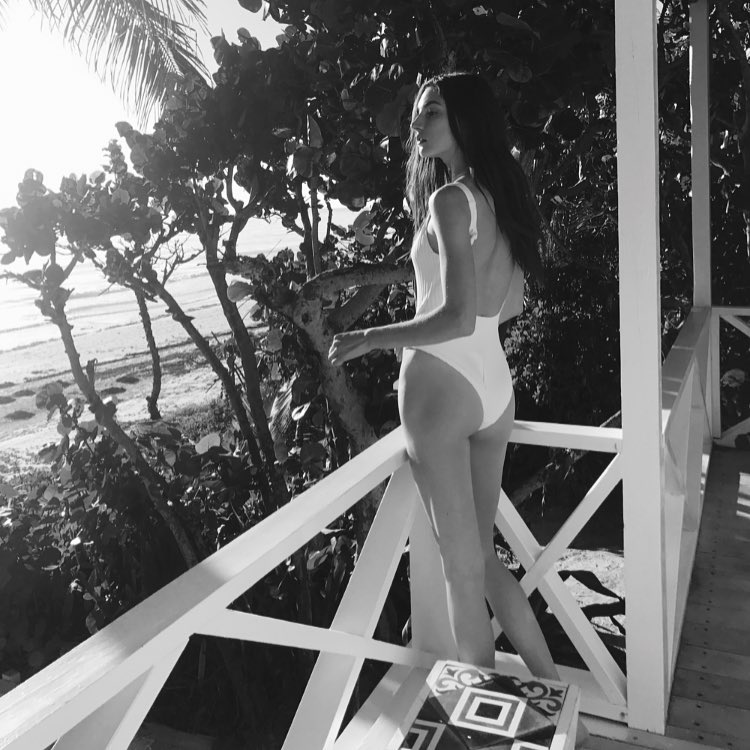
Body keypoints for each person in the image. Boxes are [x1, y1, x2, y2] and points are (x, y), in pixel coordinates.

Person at [328, 72, 588, 745]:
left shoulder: (450, 199)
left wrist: (371, 336)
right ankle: (558, 698)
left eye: (433, 112)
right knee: (481, 559)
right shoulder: (500, 197)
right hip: (492, 386)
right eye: (417, 113)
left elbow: (453, 315)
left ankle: (488, 735)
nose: (418, 124)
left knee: (459, 567)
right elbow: (510, 304)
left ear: (466, 119)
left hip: (441, 389)